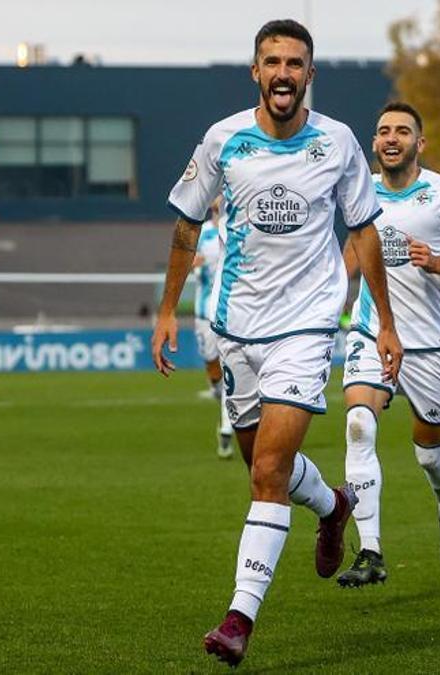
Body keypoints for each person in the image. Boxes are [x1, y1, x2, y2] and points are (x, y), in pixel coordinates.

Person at [151, 19, 403, 667]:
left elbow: (366, 231)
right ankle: (333, 503)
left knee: (267, 472)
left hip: (308, 324)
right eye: (273, 62)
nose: (284, 73)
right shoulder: (222, 140)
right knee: (262, 462)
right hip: (238, 326)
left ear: (309, 74)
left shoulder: (340, 143)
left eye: (295, 62)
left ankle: (239, 617)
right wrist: (167, 311)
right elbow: (185, 225)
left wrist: (385, 321)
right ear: (256, 73)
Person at [336, 102, 440, 588]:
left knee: (430, 455)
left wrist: (438, 262)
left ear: (419, 144)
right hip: (371, 333)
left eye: (402, 131)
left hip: (429, 347)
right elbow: (354, 248)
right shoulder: (359, 189)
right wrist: (329, 294)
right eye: (383, 130)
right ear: (374, 142)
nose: (391, 138)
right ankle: (370, 551)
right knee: (360, 425)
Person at [191, 199, 236, 458]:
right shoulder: (203, 232)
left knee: (231, 368)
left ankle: (227, 427)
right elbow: (188, 262)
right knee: (212, 367)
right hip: (203, 311)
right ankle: (221, 398)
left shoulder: (241, 226)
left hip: (231, 311)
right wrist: (193, 262)